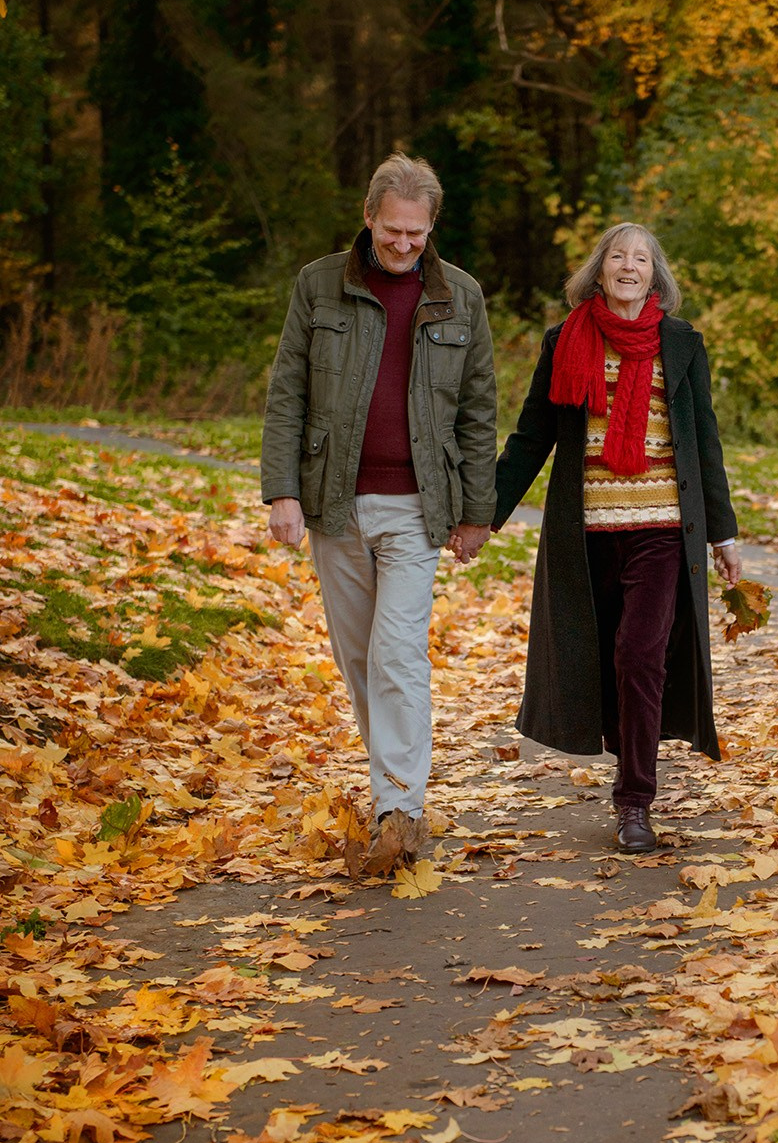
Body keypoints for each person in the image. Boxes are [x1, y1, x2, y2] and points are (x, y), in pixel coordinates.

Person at [260, 152, 496, 871]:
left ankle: (400, 808)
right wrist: (282, 491)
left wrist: (477, 510)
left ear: (431, 229)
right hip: (335, 503)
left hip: (418, 509)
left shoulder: (462, 297)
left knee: (397, 653)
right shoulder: (319, 286)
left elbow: (478, 412)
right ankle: (392, 784)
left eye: (416, 235)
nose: (402, 245)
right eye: (392, 231)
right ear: (369, 219)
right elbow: (287, 393)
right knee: (359, 658)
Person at [492, 223, 741, 853]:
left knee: (640, 656)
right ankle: (622, 759)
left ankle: (635, 802)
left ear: (656, 275)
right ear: (599, 271)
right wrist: (481, 513)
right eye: (617, 257)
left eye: (641, 259)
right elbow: (532, 437)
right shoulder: (566, 341)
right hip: (586, 535)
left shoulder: (682, 345)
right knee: (599, 659)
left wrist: (722, 533)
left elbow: (703, 443)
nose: (629, 267)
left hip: (660, 531)